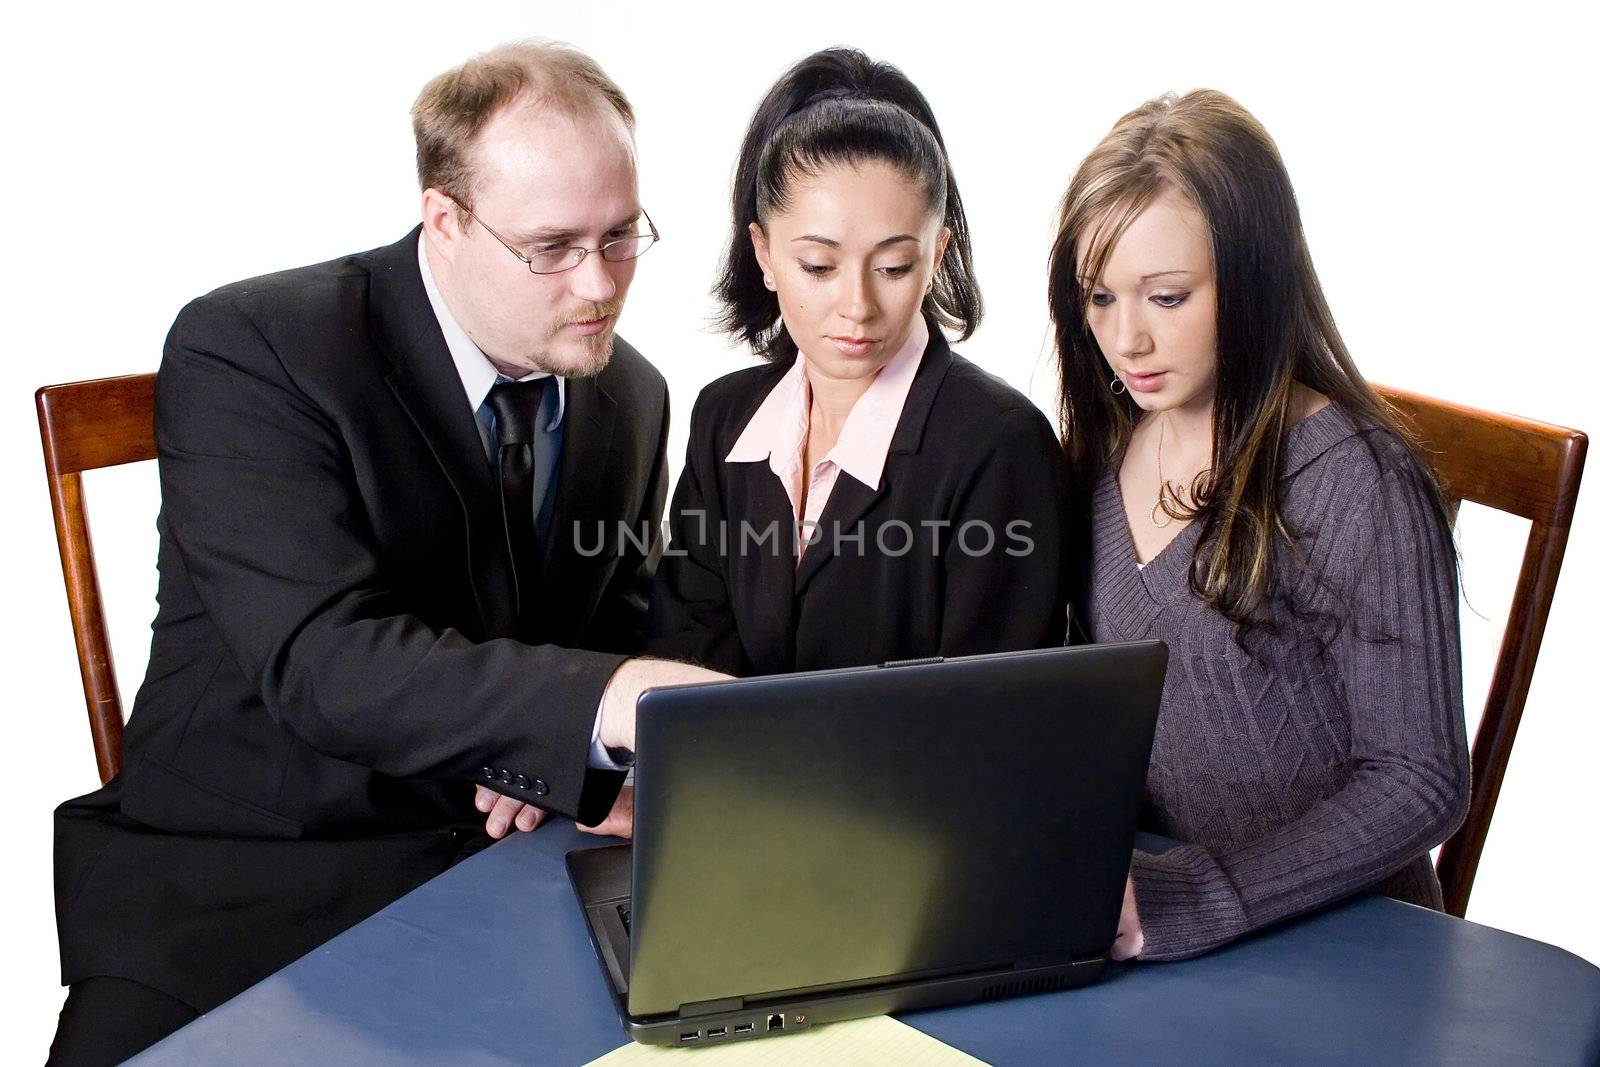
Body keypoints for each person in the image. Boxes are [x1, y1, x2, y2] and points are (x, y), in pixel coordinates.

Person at [48, 41, 721, 1065]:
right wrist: (593, 699)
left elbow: (602, 624)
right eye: (552, 246)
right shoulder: (254, 345)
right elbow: (324, 659)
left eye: (622, 234)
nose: (601, 283)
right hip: (248, 881)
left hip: (503, 870)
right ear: (443, 219)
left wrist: (559, 750)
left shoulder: (631, 393)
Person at [1047, 89, 1470, 962]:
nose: (1127, 339)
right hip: (1159, 925)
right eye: (1099, 297)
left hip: (1355, 940)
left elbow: (1421, 780)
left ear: (1253, 278)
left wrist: (1203, 895)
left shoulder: (1359, 481)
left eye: (1167, 297)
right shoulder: (1100, 450)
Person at [645, 49, 1070, 674]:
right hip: (731, 772)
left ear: (936, 254)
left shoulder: (1000, 443)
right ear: (763, 252)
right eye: (818, 266)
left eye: (894, 266)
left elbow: (992, 720)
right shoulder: (725, 417)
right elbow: (686, 656)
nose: (857, 306)